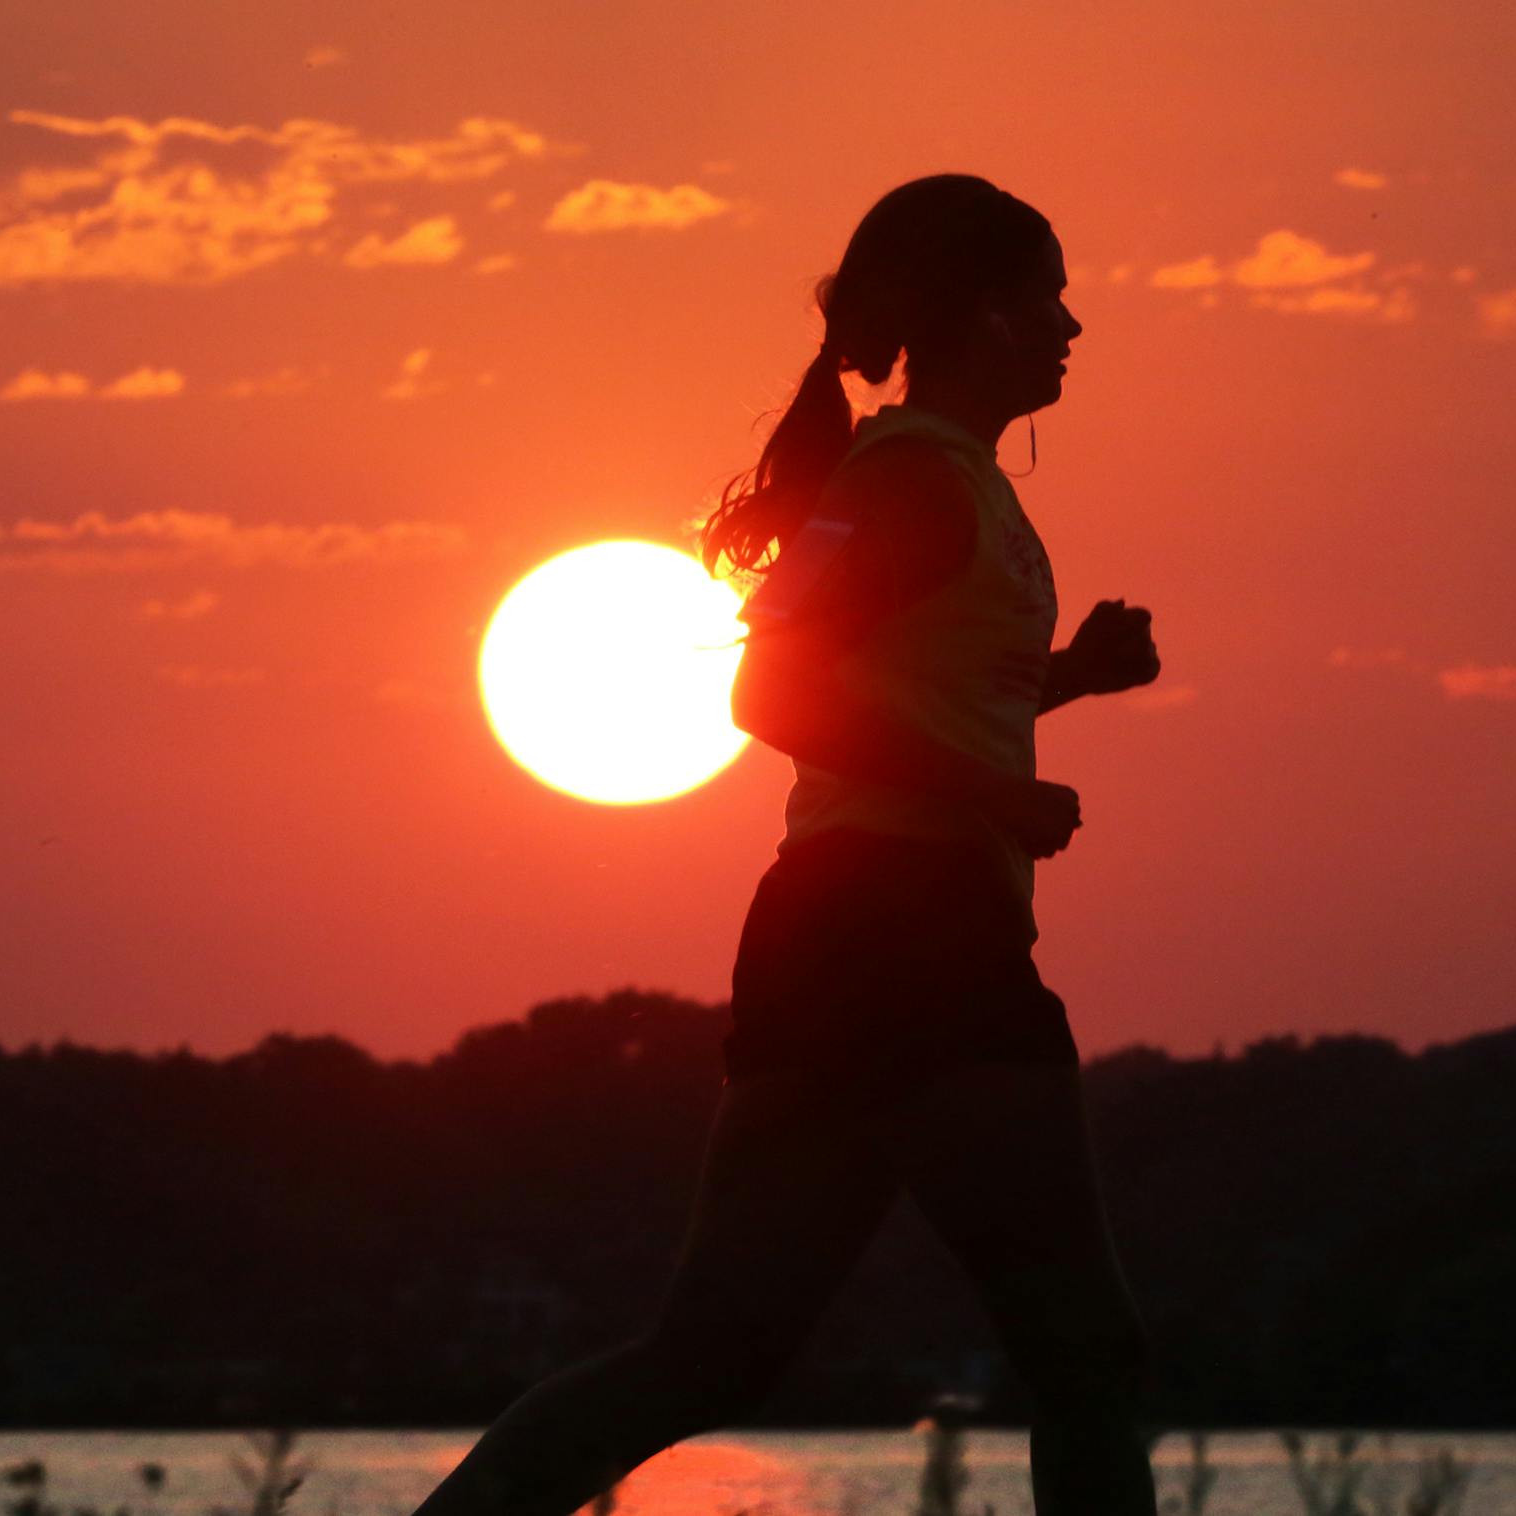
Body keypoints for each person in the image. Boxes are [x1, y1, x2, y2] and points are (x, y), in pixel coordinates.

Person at [409, 174, 1164, 1516]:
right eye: (1049, 292)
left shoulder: (939, 484)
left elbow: (902, 693)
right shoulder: (920, 483)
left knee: (714, 1356)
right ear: (985, 313)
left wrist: (1064, 682)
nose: (1072, 324)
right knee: (1089, 1358)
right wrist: (998, 801)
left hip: (840, 936)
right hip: (914, 930)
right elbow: (772, 695)